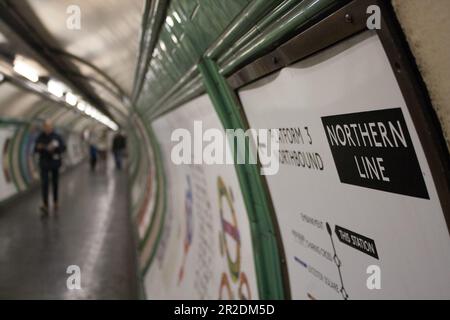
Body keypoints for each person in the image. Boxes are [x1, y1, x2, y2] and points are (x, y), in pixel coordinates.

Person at [34, 120, 66, 215]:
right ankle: (45, 204)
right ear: (44, 127)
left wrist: (56, 148)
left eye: (49, 126)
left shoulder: (57, 136)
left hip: (55, 163)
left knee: (55, 183)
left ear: (52, 127)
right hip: (44, 163)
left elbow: (63, 148)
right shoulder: (40, 137)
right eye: (46, 126)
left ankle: (55, 201)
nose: (47, 128)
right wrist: (39, 148)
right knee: (44, 183)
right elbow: (35, 149)